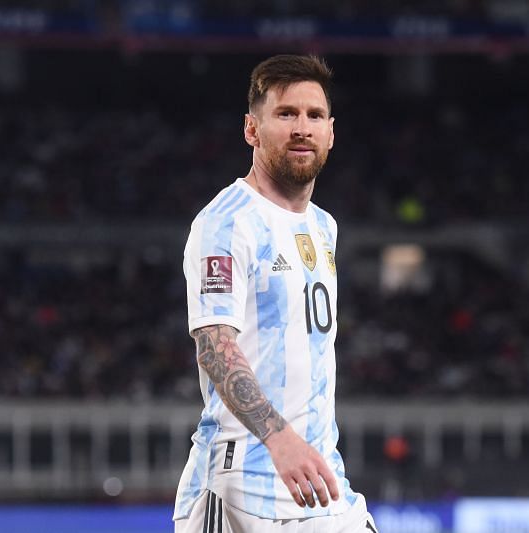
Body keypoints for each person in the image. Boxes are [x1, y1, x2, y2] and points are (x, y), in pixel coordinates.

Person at [174, 54, 378, 532]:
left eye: (314, 116)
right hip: (244, 483)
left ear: (331, 132)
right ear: (252, 130)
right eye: (285, 114)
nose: (302, 127)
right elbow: (214, 345)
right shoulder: (226, 222)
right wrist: (278, 438)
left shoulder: (323, 226)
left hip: (323, 483)